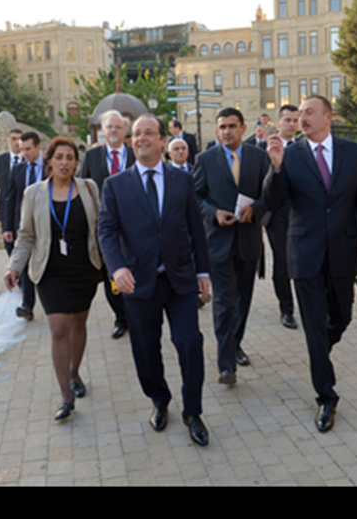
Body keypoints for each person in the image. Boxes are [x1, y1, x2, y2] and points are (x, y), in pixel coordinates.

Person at [263, 94, 357, 432]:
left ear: (328, 117)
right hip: (304, 253)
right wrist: (275, 168)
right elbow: (272, 202)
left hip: (343, 252)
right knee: (314, 325)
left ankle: (319, 350)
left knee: (342, 317)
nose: (302, 118)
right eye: (300, 113)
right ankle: (326, 397)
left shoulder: (354, 153)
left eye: (310, 113)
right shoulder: (290, 155)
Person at [98, 114, 211, 446]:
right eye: (137, 134)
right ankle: (159, 400)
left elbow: (196, 228)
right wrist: (117, 268)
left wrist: (203, 271)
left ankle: (193, 411)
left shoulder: (182, 180)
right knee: (146, 350)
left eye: (149, 133)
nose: (142, 138)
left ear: (163, 140)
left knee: (190, 343)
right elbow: (106, 230)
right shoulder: (115, 185)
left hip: (180, 280)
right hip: (137, 282)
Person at [3, 137, 102, 421]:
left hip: (83, 269)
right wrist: (14, 267)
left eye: (70, 157)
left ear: (76, 162)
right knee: (59, 329)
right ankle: (66, 397)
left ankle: (74, 373)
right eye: (59, 157)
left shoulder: (88, 188)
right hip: (50, 271)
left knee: (79, 322)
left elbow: (99, 226)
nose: (64, 162)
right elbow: (26, 235)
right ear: (48, 161)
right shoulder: (34, 193)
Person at [194, 107, 271, 386]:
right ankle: (226, 365)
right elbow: (194, 197)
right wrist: (213, 213)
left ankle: (235, 344)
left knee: (242, 301)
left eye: (231, 126)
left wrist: (255, 210)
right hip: (218, 243)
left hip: (248, 242)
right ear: (217, 131)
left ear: (242, 128)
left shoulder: (259, 157)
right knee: (224, 303)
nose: (226, 131)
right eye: (222, 127)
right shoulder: (205, 160)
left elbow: (270, 194)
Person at [79, 110, 134, 339]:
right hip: (104, 227)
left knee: (134, 270)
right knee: (111, 272)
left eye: (118, 127)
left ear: (125, 131)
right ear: (102, 130)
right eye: (109, 126)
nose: (113, 130)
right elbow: (82, 187)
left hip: (134, 226)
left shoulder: (135, 154)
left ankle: (136, 315)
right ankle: (121, 318)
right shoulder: (92, 156)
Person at [259, 104, 300, 329]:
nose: (292, 124)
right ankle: (287, 309)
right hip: (277, 214)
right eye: (287, 120)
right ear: (278, 122)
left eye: (295, 120)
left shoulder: (303, 148)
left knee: (302, 260)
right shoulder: (265, 149)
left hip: (301, 212)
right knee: (283, 261)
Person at [3, 131, 45, 321]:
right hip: (24, 225)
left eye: (28, 149)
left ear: (38, 147)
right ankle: (27, 306)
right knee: (26, 265)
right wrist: (8, 227)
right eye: (22, 150)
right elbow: (11, 199)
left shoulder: (49, 167)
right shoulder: (17, 170)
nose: (24, 153)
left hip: (47, 224)